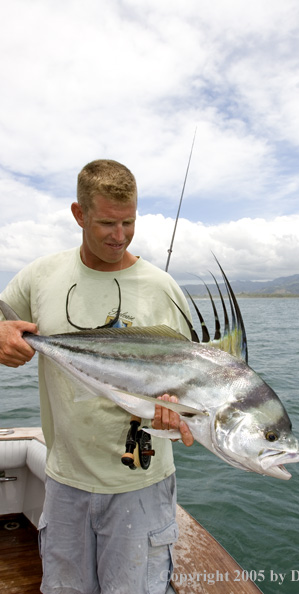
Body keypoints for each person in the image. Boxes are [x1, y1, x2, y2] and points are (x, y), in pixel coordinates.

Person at [0, 159, 194, 594]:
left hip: (141, 484)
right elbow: (2, 319)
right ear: (79, 214)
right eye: (107, 222)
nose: (120, 235)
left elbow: (189, 381)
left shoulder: (163, 288)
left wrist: (178, 415)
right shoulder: (40, 276)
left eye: (129, 222)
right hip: (65, 481)